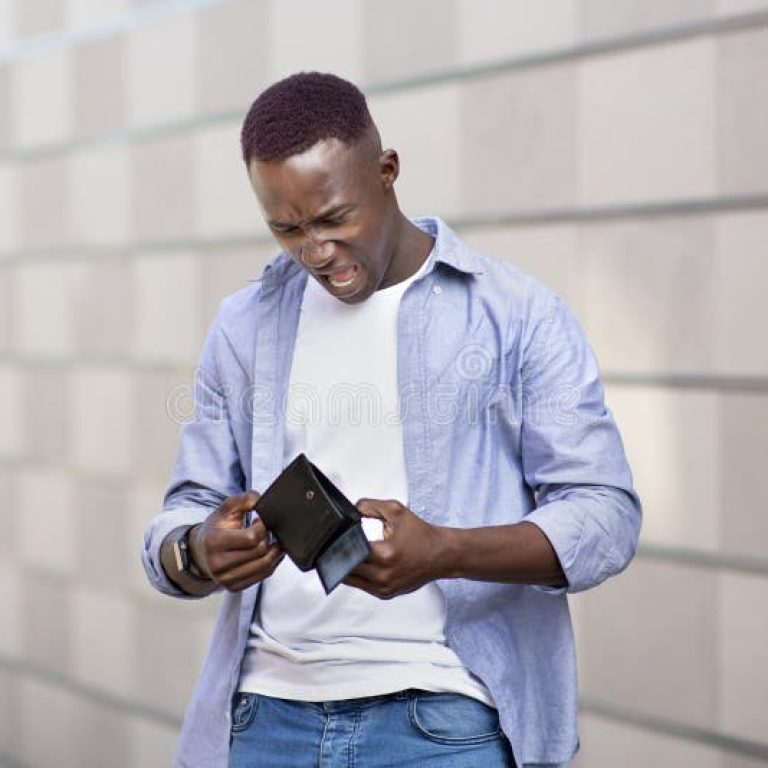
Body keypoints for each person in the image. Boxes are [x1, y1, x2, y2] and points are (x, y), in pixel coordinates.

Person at [142, 72, 641, 768]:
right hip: (263, 718)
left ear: (387, 171)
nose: (315, 251)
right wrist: (198, 549)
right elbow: (181, 519)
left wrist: (448, 551)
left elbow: (606, 515)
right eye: (287, 228)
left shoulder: (516, 316)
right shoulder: (244, 325)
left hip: (443, 718)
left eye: (334, 218)